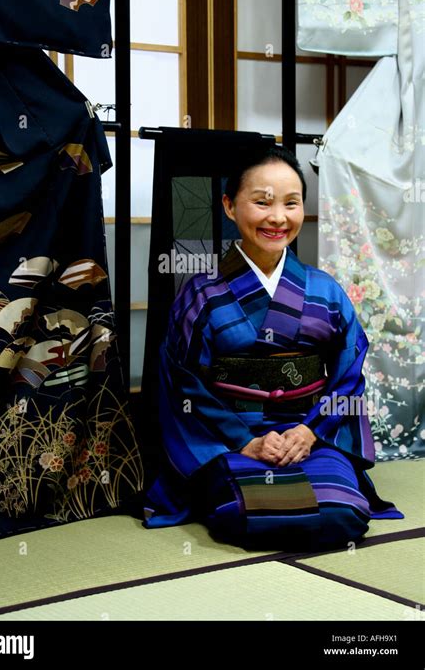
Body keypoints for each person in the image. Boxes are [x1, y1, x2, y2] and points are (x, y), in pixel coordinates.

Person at [143, 146, 404, 551]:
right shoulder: (202, 293)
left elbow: (348, 377)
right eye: (262, 202)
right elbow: (183, 384)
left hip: (310, 437)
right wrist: (246, 440)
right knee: (248, 512)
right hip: (230, 439)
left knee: (341, 513)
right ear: (230, 206)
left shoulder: (326, 292)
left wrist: (309, 431)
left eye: (291, 203)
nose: (278, 217)